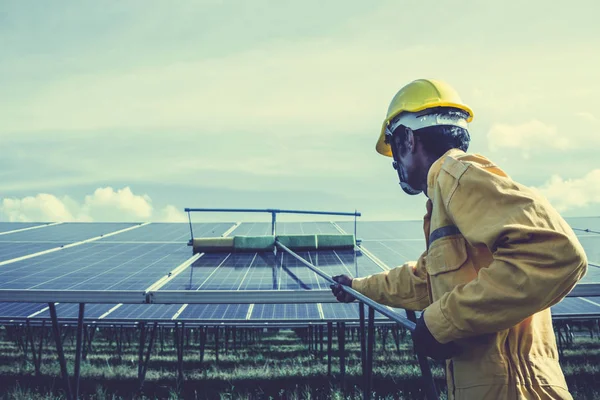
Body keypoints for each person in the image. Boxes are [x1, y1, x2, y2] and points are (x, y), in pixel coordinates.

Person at [331, 79, 587, 399]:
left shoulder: (458, 175)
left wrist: (442, 321)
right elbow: (422, 281)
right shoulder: (446, 198)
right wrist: (356, 287)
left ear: (409, 139)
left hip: (515, 389)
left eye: (394, 149)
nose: (394, 162)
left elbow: (556, 254)